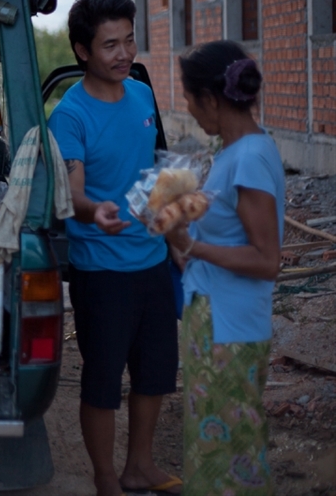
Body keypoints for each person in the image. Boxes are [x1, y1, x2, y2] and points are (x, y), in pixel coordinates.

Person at [48, 0, 181, 496]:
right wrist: (93, 211)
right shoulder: (70, 115)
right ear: (83, 50)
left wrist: (176, 219)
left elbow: (152, 173)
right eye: (110, 45)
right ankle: (106, 478)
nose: (124, 54)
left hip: (151, 258)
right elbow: (74, 193)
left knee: (155, 373)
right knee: (103, 380)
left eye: (129, 41)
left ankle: (139, 465)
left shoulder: (143, 96)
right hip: (100, 267)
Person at [165, 41, 283, 495]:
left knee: (232, 453)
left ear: (212, 99)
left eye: (191, 99)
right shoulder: (238, 149)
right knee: (220, 448)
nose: (190, 110)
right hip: (216, 320)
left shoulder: (250, 156)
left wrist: (193, 245)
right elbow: (228, 234)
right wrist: (181, 240)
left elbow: (266, 260)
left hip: (230, 327)